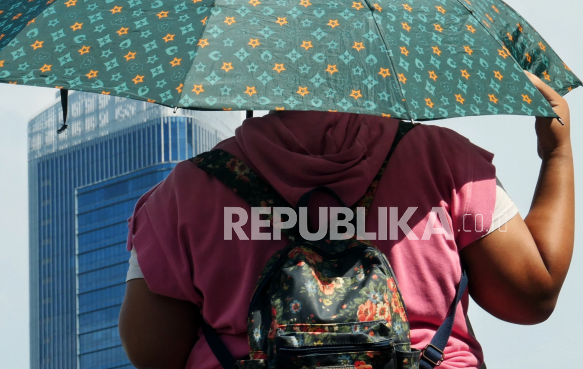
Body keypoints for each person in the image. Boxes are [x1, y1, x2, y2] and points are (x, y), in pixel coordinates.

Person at [119, 71, 574, 369]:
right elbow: (530, 297)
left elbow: (153, 351)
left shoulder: (184, 191)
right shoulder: (444, 159)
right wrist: (556, 153)